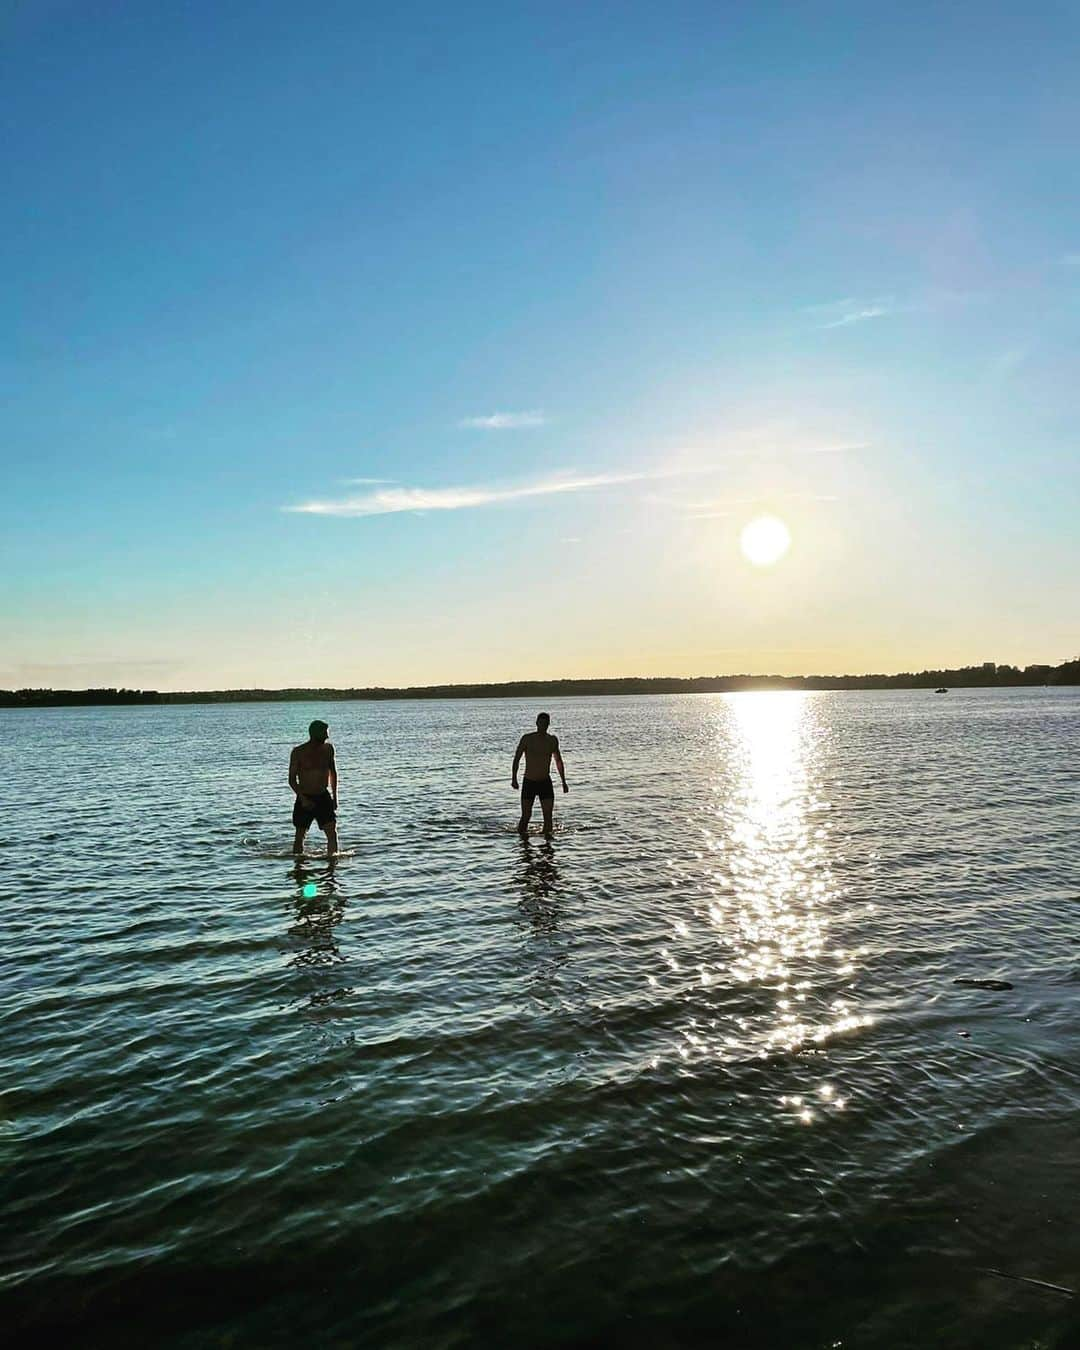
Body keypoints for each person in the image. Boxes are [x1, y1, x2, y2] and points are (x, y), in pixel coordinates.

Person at [512, 712, 568, 836]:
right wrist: (514, 778)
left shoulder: (552, 740)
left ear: (548, 724)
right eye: (541, 723)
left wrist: (564, 781)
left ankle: (547, 848)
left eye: (545, 723)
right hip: (529, 781)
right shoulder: (527, 738)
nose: (543, 726)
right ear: (537, 723)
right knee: (526, 816)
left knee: (548, 817)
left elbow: (558, 760)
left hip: (545, 782)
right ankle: (523, 843)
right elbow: (517, 758)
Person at [289, 719, 338, 854]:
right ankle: (299, 867)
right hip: (305, 798)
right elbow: (292, 780)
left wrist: (335, 798)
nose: (327, 736)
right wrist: (303, 799)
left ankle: (332, 867)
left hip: (323, 796)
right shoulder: (298, 752)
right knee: (300, 836)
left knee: (332, 833)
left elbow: (333, 773)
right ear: (315, 734)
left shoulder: (328, 749)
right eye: (325, 733)